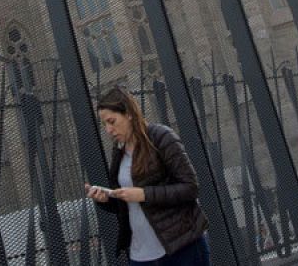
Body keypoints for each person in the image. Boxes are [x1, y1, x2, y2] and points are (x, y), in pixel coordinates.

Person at [87, 87, 210, 265]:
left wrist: (144, 194)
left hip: (181, 247)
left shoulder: (161, 137)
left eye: (112, 121)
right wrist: (105, 199)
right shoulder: (118, 152)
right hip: (141, 255)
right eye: (105, 124)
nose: (108, 130)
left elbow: (190, 187)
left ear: (128, 113)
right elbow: (127, 206)